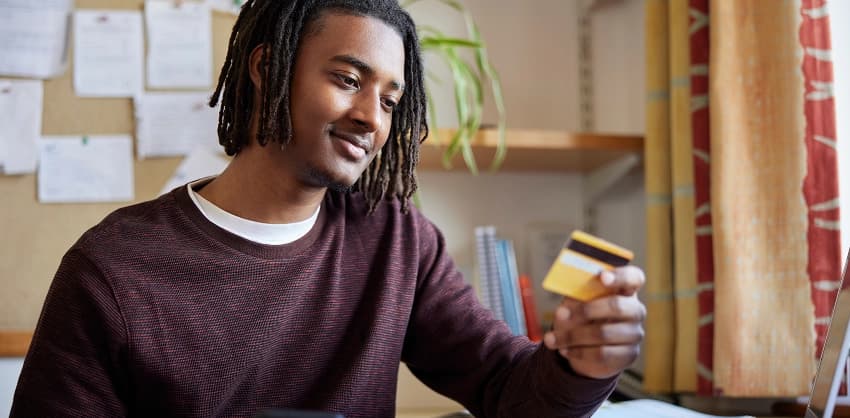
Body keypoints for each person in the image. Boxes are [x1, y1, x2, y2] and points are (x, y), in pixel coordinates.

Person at [11, 1, 646, 417]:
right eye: (347, 80)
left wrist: (580, 364)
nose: (372, 118)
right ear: (269, 68)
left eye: (391, 101)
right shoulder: (115, 269)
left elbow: (509, 389)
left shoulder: (397, 242)